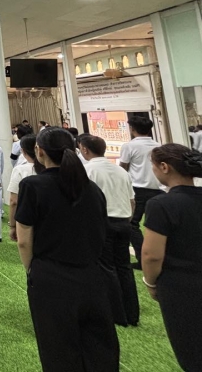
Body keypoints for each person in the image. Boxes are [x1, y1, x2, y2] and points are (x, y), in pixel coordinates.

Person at [15, 127, 119, 371]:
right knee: (99, 348)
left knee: (58, 348)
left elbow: (24, 240)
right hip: (92, 275)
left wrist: (32, 269)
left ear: (39, 151)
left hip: (51, 276)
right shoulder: (92, 189)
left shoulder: (33, 185)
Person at [143, 144, 202, 371]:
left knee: (191, 349)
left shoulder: (161, 204)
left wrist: (150, 283)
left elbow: (151, 255)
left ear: (164, 167)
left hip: (180, 286)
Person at [77, 134, 138, 327]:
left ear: (84, 149)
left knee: (106, 267)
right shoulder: (120, 171)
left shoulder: (87, 170)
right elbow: (132, 201)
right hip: (123, 222)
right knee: (124, 266)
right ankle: (132, 313)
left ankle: (116, 314)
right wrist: (127, 219)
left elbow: (82, 200)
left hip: (103, 223)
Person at [119, 116, 161, 269]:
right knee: (158, 225)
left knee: (132, 224)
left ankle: (143, 259)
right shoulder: (158, 145)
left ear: (132, 129)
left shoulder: (129, 146)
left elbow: (123, 168)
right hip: (159, 190)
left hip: (138, 190)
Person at [7, 134, 37, 242]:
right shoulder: (50, 168)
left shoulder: (20, 170)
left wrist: (12, 225)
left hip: (26, 217)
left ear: (23, 151)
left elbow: (13, 201)